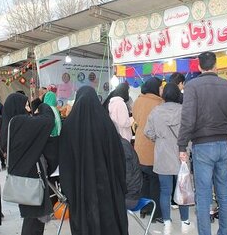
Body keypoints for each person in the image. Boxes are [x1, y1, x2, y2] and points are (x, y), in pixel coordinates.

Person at [178, 51, 227, 235]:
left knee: (203, 196)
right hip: (224, 145)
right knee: (224, 194)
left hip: (203, 146)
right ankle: (224, 232)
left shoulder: (192, 87)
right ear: (216, 65)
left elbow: (187, 119)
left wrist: (182, 145)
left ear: (199, 66)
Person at [59, 86, 128, 235]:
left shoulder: (69, 126)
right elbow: (118, 159)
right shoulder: (106, 124)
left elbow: (65, 162)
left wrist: (69, 190)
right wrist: (120, 185)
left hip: (81, 190)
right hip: (108, 189)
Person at [145, 83, 192, 234]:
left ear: (164, 95)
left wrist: (159, 138)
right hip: (181, 154)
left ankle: (167, 224)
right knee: (183, 189)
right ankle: (185, 223)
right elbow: (190, 132)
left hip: (163, 154)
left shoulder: (156, 111)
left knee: (165, 191)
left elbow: (148, 132)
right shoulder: (184, 110)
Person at [6, 102, 57, 235]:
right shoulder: (21, 122)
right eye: (26, 105)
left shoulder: (10, 124)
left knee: (31, 218)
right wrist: (43, 107)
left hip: (22, 178)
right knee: (33, 219)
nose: (28, 109)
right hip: (32, 179)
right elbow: (48, 120)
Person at [133, 77, 164, 222]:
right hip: (152, 146)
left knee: (143, 180)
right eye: (160, 87)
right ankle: (155, 213)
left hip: (139, 145)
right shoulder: (159, 103)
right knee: (155, 181)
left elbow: (136, 120)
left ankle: (144, 209)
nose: (161, 89)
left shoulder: (138, 100)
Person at [121, 136, 143, 209]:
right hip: (129, 193)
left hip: (129, 196)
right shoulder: (120, 144)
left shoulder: (122, 146)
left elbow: (127, 175)